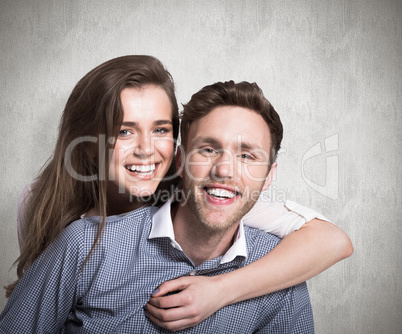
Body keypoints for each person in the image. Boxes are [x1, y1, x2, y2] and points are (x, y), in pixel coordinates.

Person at [3, 55, 352, 330]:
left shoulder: (205, 193)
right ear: (89, 144)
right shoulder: (52, 214)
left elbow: (331, 240)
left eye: (160, 129)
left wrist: (219, 291)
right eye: (124, 131)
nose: (146, 150)